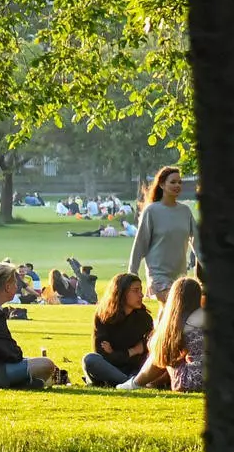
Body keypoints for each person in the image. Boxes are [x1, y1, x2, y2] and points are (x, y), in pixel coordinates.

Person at [124, 277, 206, 392]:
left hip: (192, 381)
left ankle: (136, 383)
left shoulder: (179, 324)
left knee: (164, 350)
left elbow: (162, 354)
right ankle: (151, 383)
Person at [128, 166, 197, 298]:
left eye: (179, 182)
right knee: (174, 304)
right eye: (173, 182)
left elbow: (198, 243)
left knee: (173, 309)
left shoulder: (185, 211)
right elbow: (140, 245)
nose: (177, 185)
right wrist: (132, 274)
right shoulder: (151, 211)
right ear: (162, 185)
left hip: (180, 277)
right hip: (158, 276)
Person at [84, 272, 153, 387]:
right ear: (121, 293)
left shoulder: (144, 318)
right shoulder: (103, 317)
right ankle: (130, 383)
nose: (141, 295)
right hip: (109, 368)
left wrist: (113, 353)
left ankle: (125, 382)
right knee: (90, 359)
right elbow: (103, 355)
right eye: (135, 291)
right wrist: (132, 351)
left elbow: (144, 355)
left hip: (134, 369)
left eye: (141, 290)